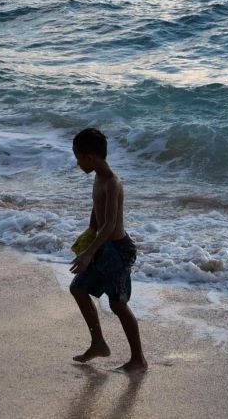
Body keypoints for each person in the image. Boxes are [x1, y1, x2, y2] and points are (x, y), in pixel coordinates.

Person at [68, 127, 147, 373]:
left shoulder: (112, 182)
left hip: (118, 250)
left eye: (78, 157)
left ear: (90, 157)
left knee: (118, 304)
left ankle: (139, 360)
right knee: (78, 288)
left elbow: (111, 224)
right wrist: (88, 236)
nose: (77, 162)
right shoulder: (97, 177)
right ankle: (98, 342)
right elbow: (97, 213)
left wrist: (89, 252)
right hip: (102, 245)